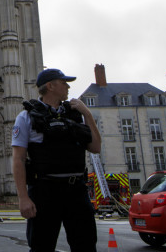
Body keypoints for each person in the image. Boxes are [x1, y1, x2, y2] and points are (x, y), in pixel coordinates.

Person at [12, 68, 102, 252]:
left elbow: (95, 147)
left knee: (86, 246)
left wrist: (87, 114)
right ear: (50, 86)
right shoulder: (27, 116)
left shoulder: (75, 114)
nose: (68, 86)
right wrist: (23, 198)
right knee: (41, 246)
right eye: (63, 82)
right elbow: (18, 158)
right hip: (45, 191)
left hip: (76, 191)